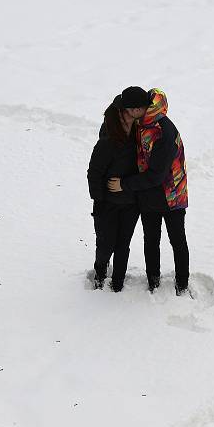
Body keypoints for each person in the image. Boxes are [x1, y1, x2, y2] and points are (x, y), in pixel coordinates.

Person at [108, 87, 189, 295]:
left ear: (138, 109)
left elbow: (156, 175)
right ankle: (153, 281)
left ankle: (182, 284)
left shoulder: (164, 131)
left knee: (177, 240)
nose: (126, 114)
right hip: (148, 195)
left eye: (128, 110)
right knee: (151, 240)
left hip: (171, 196)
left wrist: (124, 185)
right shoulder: (142, 122)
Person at [86, 95, 140, 292]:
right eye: (128, 113)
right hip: (107, 204)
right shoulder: (107, 141)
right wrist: (99, 200)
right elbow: (94, 174)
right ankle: (100, 271)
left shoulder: (139, 137)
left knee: (123, 244)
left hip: (131, 202)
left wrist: (127, 186)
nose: (132, 117)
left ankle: (118, 281)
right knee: (105, 244)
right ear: (119, 114)